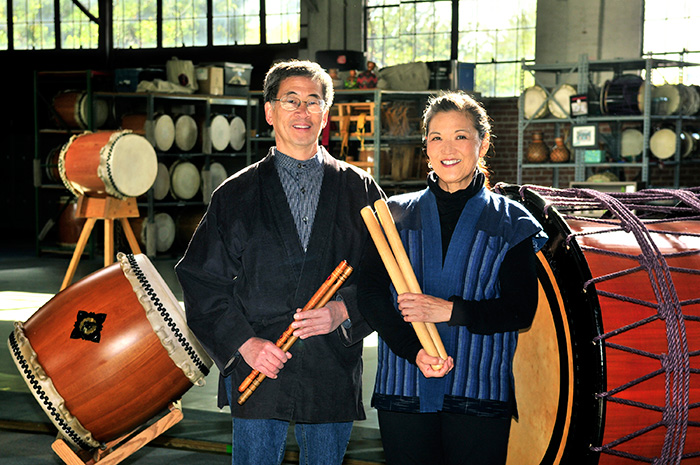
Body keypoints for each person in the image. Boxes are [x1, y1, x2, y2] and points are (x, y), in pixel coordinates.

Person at [175, 59, 384, 465]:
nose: (302, 111)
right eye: (290, 101)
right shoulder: (236, 193)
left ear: (326, 113)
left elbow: (387, 277)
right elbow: (202, 279)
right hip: (260, 365)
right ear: (269, 111)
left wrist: (343, 310)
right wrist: (244, 344)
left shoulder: (359, 189)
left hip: (330, 363)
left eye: (313, 101)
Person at [357, 91, 548, 465]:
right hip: (405, 387)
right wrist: (414, 351)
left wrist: (448, 310)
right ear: (425, 147)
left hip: (478, 391)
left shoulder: (513, 222)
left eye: (460, 136)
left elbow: (519, 311)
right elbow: (371, 298)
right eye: (436, 138)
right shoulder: (393, 217)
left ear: (483, 143)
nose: (448, 148)